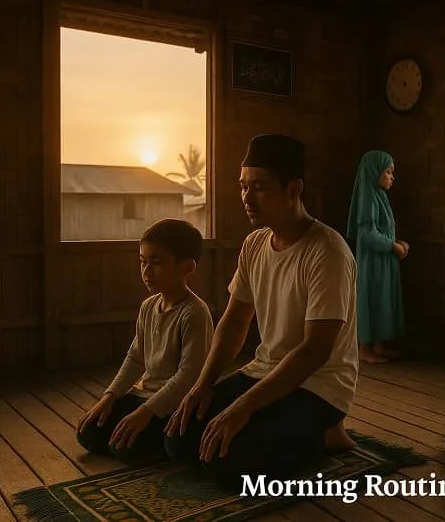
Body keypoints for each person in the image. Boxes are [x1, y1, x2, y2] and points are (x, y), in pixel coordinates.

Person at [164, 134, 359, 488]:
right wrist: (202, 386)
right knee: (178, 440)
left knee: (230, 465)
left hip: (318, 386)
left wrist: (242, 408)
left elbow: (315, 350)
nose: (247, 198)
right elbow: (235, 320)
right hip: (264, 372)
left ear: (293, 190)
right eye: (243, 186)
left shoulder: (327, 251)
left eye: (260, 187)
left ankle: (327, 434)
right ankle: (299, 431)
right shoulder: (255, 244)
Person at [77, 219, 213, 463]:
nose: (147, 271)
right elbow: (135, 358)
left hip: (172, 402)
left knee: (125, 448)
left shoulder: (195, 312)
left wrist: (145, 413)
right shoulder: (148, 307)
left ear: (187, 267)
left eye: (157, 263)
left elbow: (188, 377)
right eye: (143, 262)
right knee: (88, 433)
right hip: (143, 396)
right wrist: (109, 398)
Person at [346, 150, 408, 364]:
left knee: (383, 302)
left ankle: (380, 344)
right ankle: (364, 347)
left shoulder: (380, 196)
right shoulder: (368, 199)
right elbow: (366, 234)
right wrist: (391, 246)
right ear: (375, 172)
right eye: (388, 172)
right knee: (372, 300)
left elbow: (383, 229)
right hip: (373, 263)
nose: (392, 177)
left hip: (384, 261)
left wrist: (397, 243)